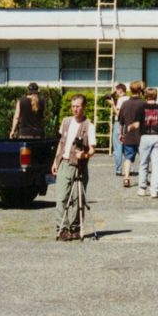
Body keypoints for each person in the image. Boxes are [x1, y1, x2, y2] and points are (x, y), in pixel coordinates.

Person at [51, 94, 96, 241]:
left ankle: (75, 228)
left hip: (80, 166)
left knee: (78, 199)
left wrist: (84, 155)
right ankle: (62, 228)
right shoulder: (65, 122)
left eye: (78, 106)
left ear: (84, 107)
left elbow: (92, 149)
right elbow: (61, 143)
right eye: (73, 106)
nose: (75, 109)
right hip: (64, 163)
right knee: (61, 197)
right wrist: (55, 162)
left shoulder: (89, 125)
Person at [133, 87, 158, 198]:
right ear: (156, 96)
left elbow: (137, 124)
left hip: (145, 136)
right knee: (156, 165)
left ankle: (142, 188)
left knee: (143, 163)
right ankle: (154, 190)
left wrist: (130, 127)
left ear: (145, 96)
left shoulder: (141, 108)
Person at [116, 82, 145, 188]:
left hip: (128, 135)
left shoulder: (125, 104)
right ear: (140, 90)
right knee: (143, 158)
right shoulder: (144, 103)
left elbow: (121, 121)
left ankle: (126, 178)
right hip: (142, 135)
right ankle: (144, 179)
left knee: (128, 158)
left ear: (130, 90)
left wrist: (120, 134)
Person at [109, 83, 128, 177]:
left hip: (119, 123)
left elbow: (119, 114)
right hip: (128, 124)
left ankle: (119, 169)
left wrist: (113, 105)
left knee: (118, 147)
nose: (115, 92)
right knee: (126, 147)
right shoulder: (129, 98)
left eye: (116, 90)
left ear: (120, 90)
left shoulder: (121, 100)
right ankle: (130, 168)